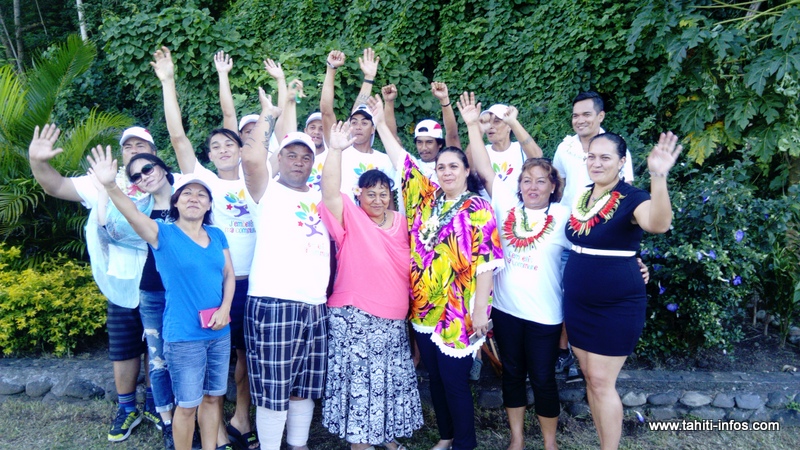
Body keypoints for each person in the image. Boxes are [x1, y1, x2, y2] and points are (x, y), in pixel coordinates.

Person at [367, 94, 503, 450]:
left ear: (465, 171)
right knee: (437, 380)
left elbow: (487, 262)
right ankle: (446, 436)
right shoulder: (426, 198)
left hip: (460, 309)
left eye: (453, 167)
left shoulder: (478, 208)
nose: (445, 172)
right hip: (424, 306)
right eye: (441, 167)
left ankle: (465, 444)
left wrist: (479, 311)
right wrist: (381, 122)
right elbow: (403, 162)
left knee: (456, 381)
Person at [89, 145, 235, 450]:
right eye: (187, 194)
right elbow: (130, 214)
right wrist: (110, 185)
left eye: (201, 195)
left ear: (209, 204)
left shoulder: (217, 235)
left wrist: (225, 308)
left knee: (213, 398)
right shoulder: (162, 234)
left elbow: (228, 276)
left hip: (219, 331)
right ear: (176, 202)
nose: (194, 198)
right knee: (187, 405)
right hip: (183, 335)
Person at [28, 124, 160, 442]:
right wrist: (38, 162)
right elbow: (55, 186)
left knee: (160, 347)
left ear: (154, 153)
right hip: (122, 279)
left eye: (141, 145)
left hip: (159, 279)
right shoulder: (102, 182)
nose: (134, 150)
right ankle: (127, 407)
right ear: (121, 153)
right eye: (128, 146)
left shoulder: (165, 181)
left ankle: (158, 403)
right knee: (125, 347)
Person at [155, 46, 259, 450]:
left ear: (241, 148)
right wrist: (168, 82)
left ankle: (241, 420)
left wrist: (224, 78)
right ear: (210, 154)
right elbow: (178, 134)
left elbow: (232, 120)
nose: (222, 149)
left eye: (228, 144)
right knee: (212, 360)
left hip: (257, 281)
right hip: (215, 286)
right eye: (214, 146)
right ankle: (211, 434)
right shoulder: (203, 182)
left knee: (246, 360)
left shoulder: (257, 174)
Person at [459, 91, 568, 450]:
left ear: (553, 186)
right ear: (518, 185)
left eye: (540, 181)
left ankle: (549, 444)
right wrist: (473, 125)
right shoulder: (506, 204)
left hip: (546, 316)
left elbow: (593, 251)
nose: (532, 187)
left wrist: (635, 262)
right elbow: (485, 169)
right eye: (527, 180)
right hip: (506, 312)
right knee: (512, 378)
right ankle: (517, 440)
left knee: (543, 379)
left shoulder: (565, 217)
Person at [563, 132, 681, 450]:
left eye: (605, 157)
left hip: (614, 303)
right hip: (578, 302)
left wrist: (658, 175)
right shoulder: (584, 195)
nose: (597, 162)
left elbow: (658, 223)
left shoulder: (633, 197)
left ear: (621, 162)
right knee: (590, 377)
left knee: (602, 381)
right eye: (592, 156)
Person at [318, 122, 423, 450]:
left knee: (388, 382)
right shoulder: (350, 216)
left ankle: (384, 435)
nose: (377, 199)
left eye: (383, 193)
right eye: (370, 193)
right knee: (359, 383)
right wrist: (334, 150)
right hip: (354, 316)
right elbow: (330, 191)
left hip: (393, 318)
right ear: (359, 195)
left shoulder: (405, 222)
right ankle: (359, 443)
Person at [240, 86, 329, 450]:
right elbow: (251, 159)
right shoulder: (266, 191)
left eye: (304, 156)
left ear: (312, 162)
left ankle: (298, 445)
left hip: (315, 303)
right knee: (274, 389)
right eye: (289, 155)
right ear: (279, 159)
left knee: (304, 385)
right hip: (274, 301)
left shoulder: (321, 196)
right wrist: (269, 114)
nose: (297, 161)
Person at [98, 152, 180, 449]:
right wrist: (109, 186)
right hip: (153, 294)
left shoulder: (188, 197)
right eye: (136, 176)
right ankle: (170, 425)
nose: (144, 176)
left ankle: (194, 418)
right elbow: (113, 220)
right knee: (158, 361)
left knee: (189, 359)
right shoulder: (141, 211)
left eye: (148, 168)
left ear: (161, 166)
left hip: (187, 294)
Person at [552, 91, 636, 380]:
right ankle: (563, 354)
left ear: (600, 116)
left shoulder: (615, 148)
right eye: (576, 115)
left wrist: (629, 252)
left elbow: (628, 201)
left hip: (604, 244)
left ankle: (583, 360)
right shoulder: (565, 148)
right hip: (570, 239)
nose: (580, 120)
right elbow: (559, 183)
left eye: (586, 114)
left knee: (592, 301)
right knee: (565, 296)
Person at [320, 49, 394, 201]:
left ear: (374, 128)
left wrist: (369, 77)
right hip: (343, 222)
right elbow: (327, 111)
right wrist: (331, 68)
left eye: (365, 122)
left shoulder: (385, 160)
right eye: (354, 122)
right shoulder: (339, 150)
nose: (358, 126)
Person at [381, 81, 461, 181]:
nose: (423, 148)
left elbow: (452, 135)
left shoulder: (450, 164)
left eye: (429, 142)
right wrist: (388, 102)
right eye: (419, 142)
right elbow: (391, 138)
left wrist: (444, 99)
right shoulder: (412, 165)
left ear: (439, 144)